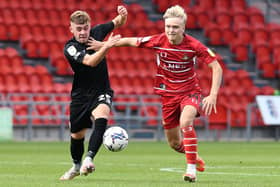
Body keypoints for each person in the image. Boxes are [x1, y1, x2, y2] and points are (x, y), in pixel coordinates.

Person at [88, 5, 223, 182]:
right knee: (174, 144)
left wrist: (212, 95)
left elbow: (216, 66)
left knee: (186, 121)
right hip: (168, 96)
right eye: (168, 26)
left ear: (183, 28)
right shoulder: (159, 41)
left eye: (175, 27)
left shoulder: (193, 45)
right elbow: (130, 41)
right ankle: (193, 156)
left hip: (190, 93)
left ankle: (191, 170)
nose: (171, 30)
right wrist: (104, 45)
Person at [59, 6, 127, 181]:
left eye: (85, 28)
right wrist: (106, 46)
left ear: (90, 26)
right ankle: (75, 165)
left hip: (101, 90)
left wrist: (122, 14)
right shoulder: (70, 48)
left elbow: (118, 22)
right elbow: (90, 61)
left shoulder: (97, 32)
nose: (83, 32)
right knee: (77, 135)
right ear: (71, 29)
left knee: (102, 114)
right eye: (79, 29)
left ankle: (89, 159)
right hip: (80, 95)